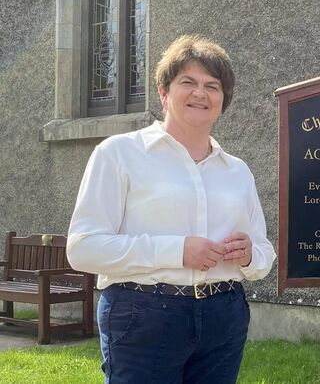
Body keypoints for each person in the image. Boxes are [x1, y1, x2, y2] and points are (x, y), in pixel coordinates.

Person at [66, 35, 276, 384]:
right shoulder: (118, 154)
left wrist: (249, 255)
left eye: (212, 86)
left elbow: (264, 252)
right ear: (164, 93)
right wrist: (176, 251)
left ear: (223, 101)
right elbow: (83, 248)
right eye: (188, 82)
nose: (200, 93)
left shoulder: (237, 170)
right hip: (142, 314)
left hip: (224, 313)